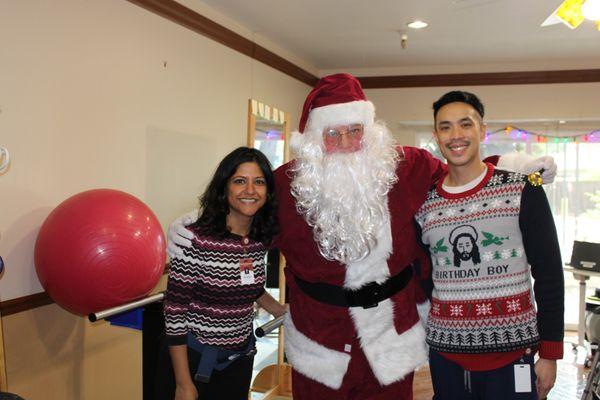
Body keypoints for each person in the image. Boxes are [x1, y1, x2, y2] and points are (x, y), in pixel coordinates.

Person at [168, 74, 557, 400]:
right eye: (332, 134)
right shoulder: (288, 185)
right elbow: (242, 216)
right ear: (315, 140)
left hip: (391, 339)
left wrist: (514, 168)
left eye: (355, 131)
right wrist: (192, 228)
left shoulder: (404, 166)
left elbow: (461, 173)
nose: (345, 143)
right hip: (319, 344)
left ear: (369, 133)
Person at [414, 91, 564, 400]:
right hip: (446, 357)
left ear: (482, 131)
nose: (456, 135)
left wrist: (549, 353)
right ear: (436, 136)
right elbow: (424, 273)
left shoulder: (523, 189)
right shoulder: (423, 203)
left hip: (512, 357)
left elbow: (549, 273)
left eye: (465, 124)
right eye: (445, 127)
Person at [161, 147, 287, 400]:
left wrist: (277, 308)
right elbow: (175, 311)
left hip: (239, 360)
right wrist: (183, 383)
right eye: (240, 181)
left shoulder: (258, 239)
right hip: (193, 363)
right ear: (224, 187)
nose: (250, 190)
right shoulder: (195, 238)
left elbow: (247, 284)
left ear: (268, 191)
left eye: (259, 182)